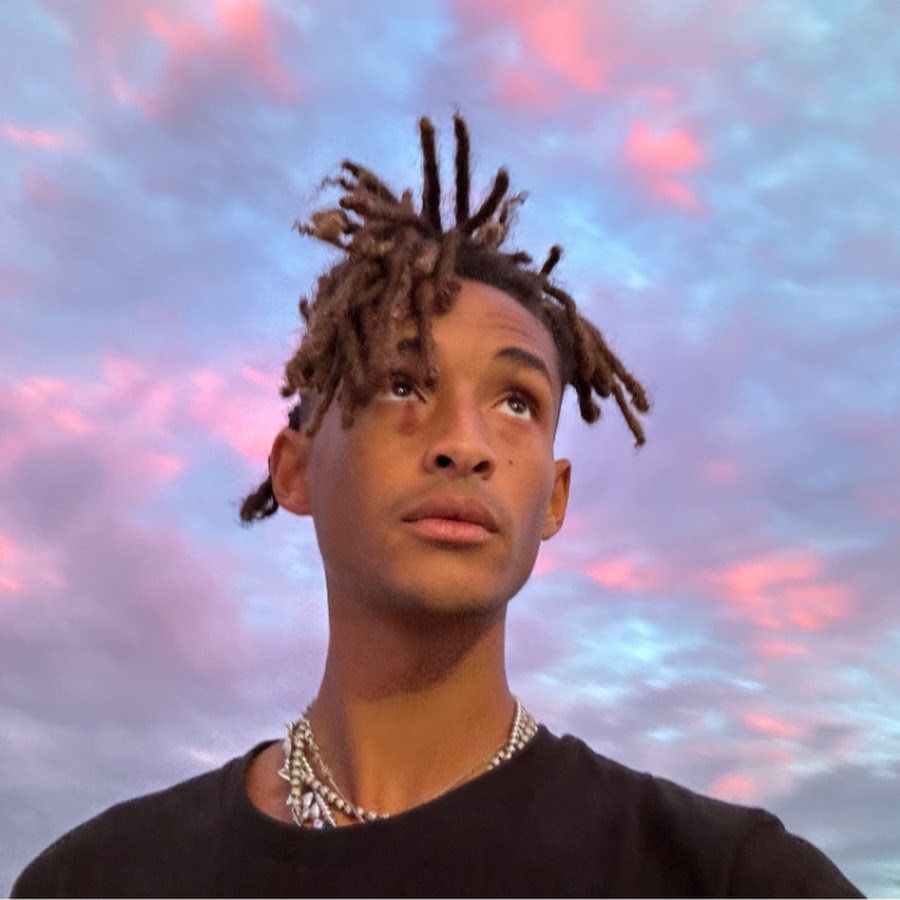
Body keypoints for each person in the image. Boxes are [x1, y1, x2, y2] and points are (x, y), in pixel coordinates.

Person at [12, 114, 862, 897]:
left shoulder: (729, 879)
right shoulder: (94, 881)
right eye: (401, 383)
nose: (465, 443)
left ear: (554, 499)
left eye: (517, 403)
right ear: (294, 471)